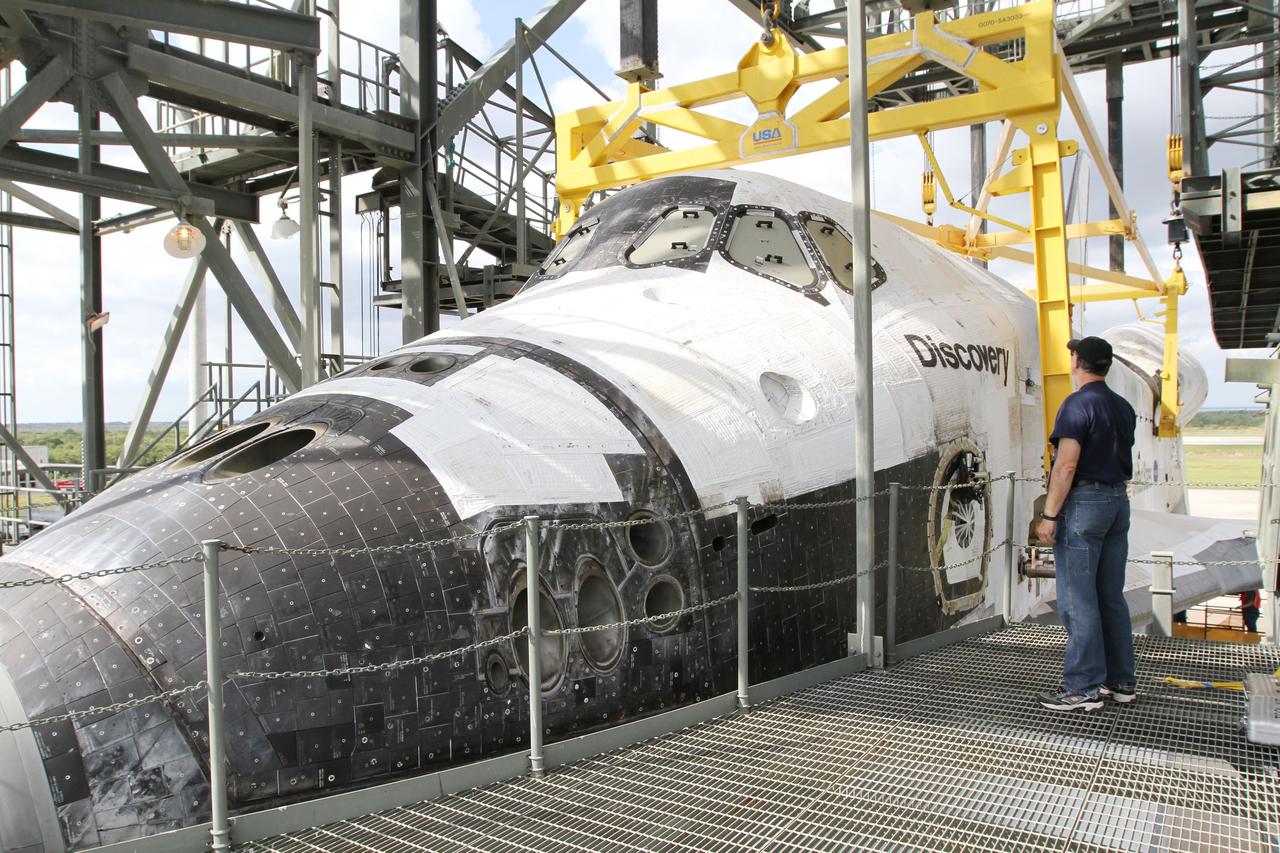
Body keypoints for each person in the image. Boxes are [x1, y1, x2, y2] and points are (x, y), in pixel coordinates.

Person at [1035, 336, 1137, 711]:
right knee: (1110, 595)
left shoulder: (1077, 405)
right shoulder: (1123, 407)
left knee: (1078, 599)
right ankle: (1120, 681)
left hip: (1085, 504)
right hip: (1117, 502)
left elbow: (1066, 465)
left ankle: (1082, 687)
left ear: (1077, 361)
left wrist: (1049, 516)